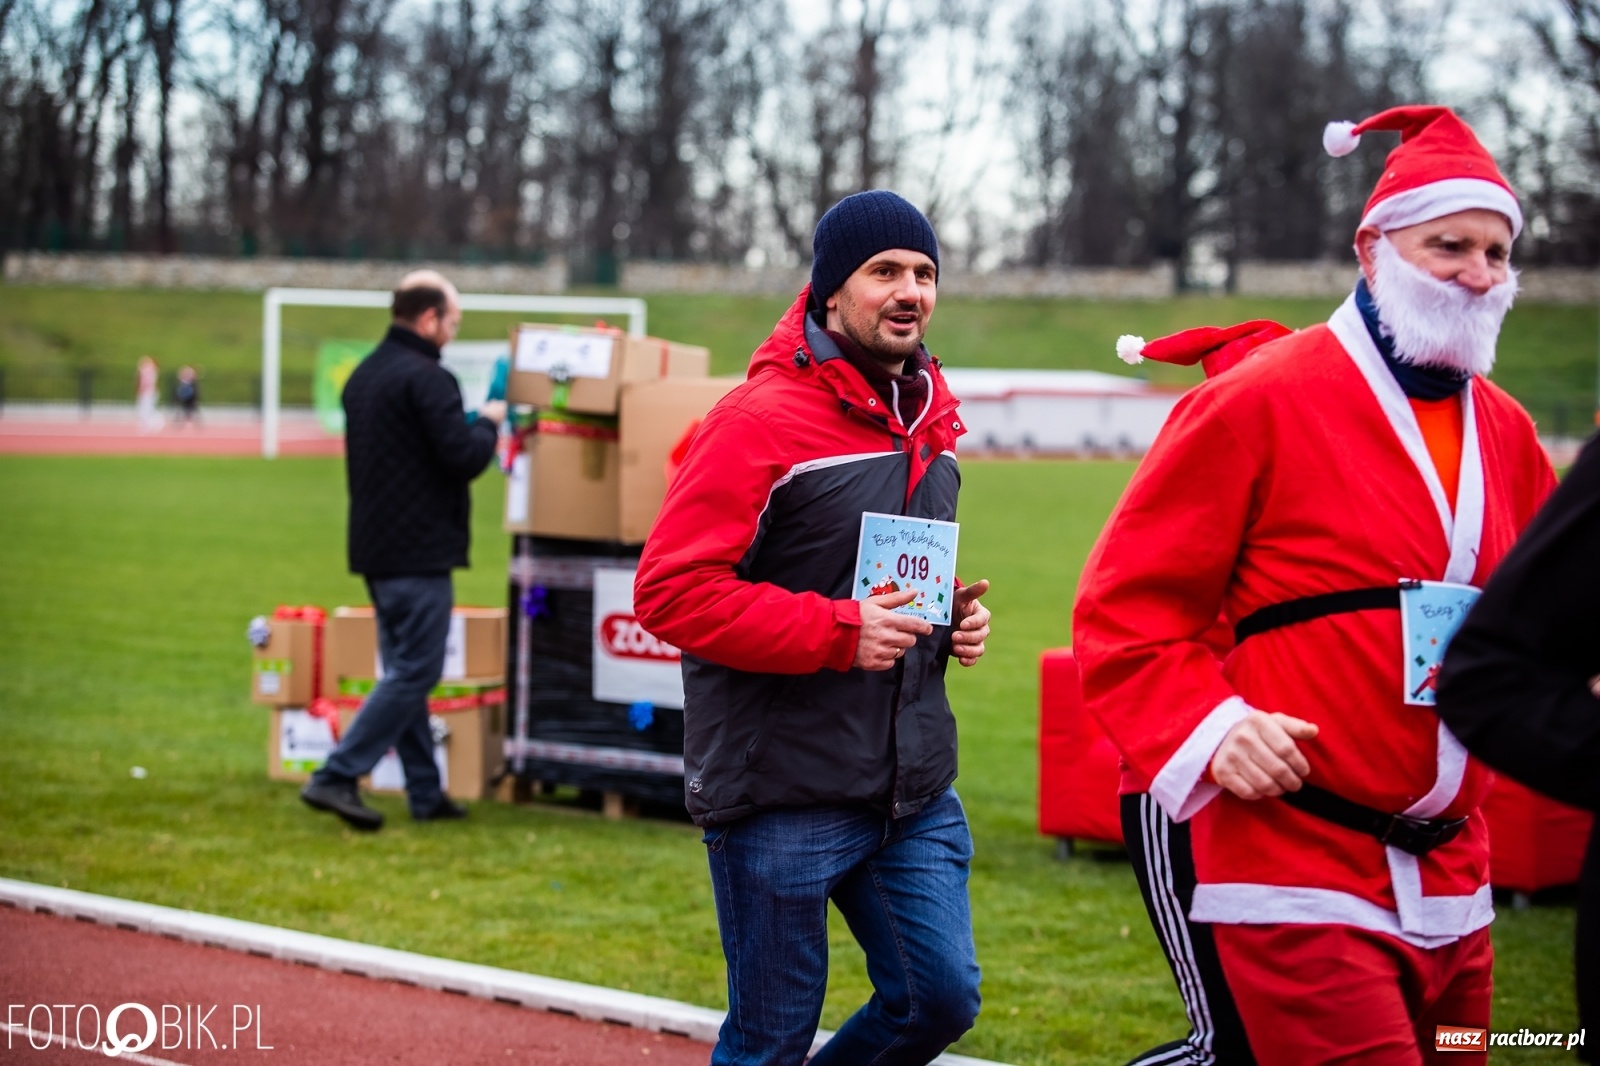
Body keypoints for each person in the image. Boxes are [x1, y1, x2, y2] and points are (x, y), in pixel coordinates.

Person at [1072, 105, 1557, 1065]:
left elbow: (1560, 616)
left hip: (1460, 874)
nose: (1480, 273)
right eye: (1450, 245)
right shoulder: (1255, 399)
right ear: (1372, 249)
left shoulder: (1508, 430)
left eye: (1498, 253)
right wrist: (1211, 730)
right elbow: (1125, 612)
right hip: (1298, 869)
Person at [634, 189, 992, 1066]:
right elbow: (671, 592)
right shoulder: (756, 421)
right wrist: (839, 630)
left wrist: (949, 623)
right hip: (780, 792)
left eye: (924, 273)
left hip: (909, 789)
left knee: (937, 999)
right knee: (769, 1043)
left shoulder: (933, 425)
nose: (910, 291)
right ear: (832, 293)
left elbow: (881, 583)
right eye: (885, 273)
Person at [300, 270, 506, 831]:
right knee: (417, 669)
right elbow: (462, 458)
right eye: (452, 323)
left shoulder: (364, 375)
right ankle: (337, 774)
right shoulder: (429, 379)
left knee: (403, 668)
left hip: (374, 545)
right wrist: (489, 423)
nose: (453, 335)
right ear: (428, 318)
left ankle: (424, 791)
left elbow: (415, 449)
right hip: (419, 548)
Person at [1436, 435, 1600, 1063]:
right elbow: (1491, 676)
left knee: (1455, 1041)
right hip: (1319, 843)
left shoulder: (1499, 428)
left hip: (1455, 854)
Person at [136, 356, 162, 432]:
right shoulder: (148, 371)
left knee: (147, 409)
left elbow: (147, 383)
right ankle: (147, 424)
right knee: (144, 409)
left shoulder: (150, 371)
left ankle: (156, 421)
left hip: (149, 392)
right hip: (147, 392)